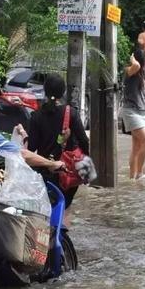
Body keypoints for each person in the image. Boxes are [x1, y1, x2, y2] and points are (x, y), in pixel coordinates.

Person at [28, 74, 90, 228]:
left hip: (47, 170)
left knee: (47, 208)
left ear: (45, 91)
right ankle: (62, 243)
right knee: (65, 208)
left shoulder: (36, 117)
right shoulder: (71, 113)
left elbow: (31, 148)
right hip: (68, 170)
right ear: (63, 92)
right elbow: (84, 141)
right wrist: (87, 168)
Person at [122, 48, 145, 181]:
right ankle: (139, 174)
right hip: (132, 111)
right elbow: (136, 65)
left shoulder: (142, 74)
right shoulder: (130, 71)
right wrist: (133, 59)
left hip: (143, 112)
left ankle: (132, 177)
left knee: (137, 147)